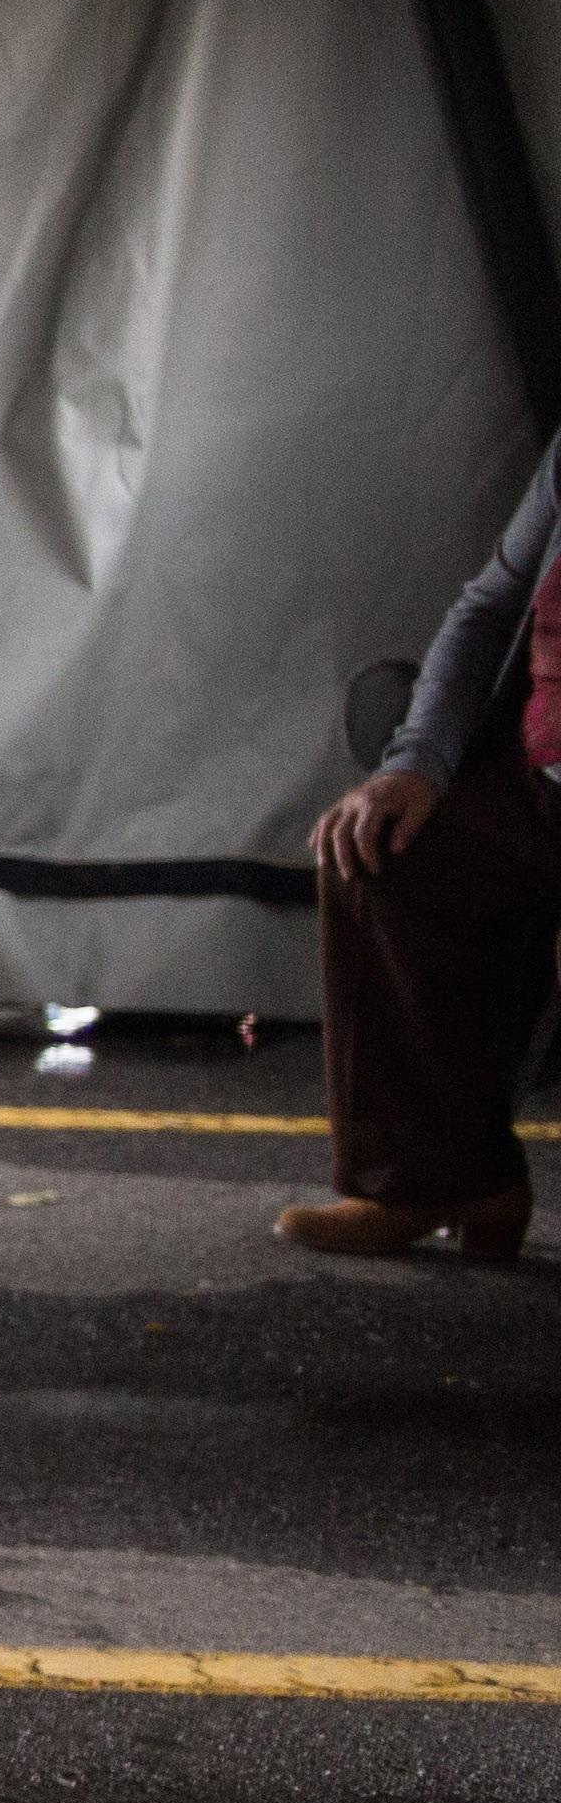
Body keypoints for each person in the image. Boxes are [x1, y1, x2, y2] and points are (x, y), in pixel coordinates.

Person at [286, 428, 561, 1257]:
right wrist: (416, 766)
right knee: (382, 850)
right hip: (545, 771)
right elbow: (488, 612)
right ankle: (438, 1182)